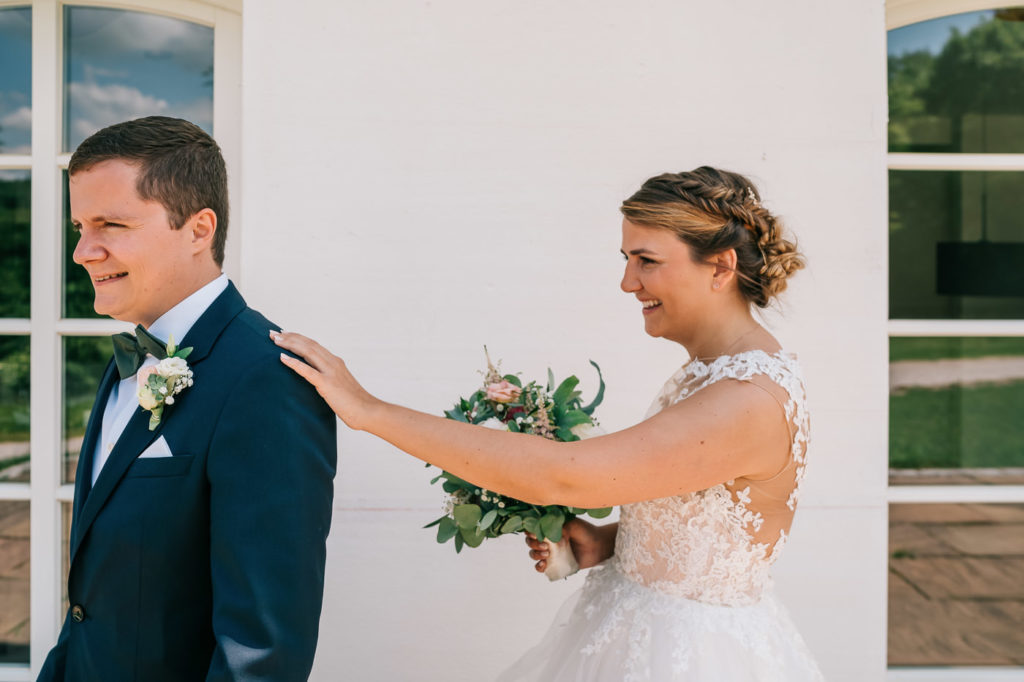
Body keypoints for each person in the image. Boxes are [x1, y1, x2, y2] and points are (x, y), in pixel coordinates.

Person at [273, 166, 825, 681]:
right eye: (626, 259)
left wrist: (369, 411)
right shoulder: (711, 374)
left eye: (646, 260)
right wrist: (611, 542)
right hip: (634, 624)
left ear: (721, 266)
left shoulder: (746, 397)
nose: (628, 283)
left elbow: (564, 475)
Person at [39, 116, 337, 682]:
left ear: (199, 229)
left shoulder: (267, 380)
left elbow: (261, 650)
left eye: (111, 224)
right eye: (80, 226)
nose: (83, 251)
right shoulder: (130, 354)